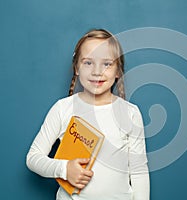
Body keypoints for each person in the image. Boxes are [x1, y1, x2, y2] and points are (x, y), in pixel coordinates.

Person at [26, 29, 150, 200]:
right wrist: (64, 169)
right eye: (88, 63)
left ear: (118, 71)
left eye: (107, 63)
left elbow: (139, 171)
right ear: (77, 67)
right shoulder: (63, 108)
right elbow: (33, 158)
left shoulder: (130, 113)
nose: (97, 71)